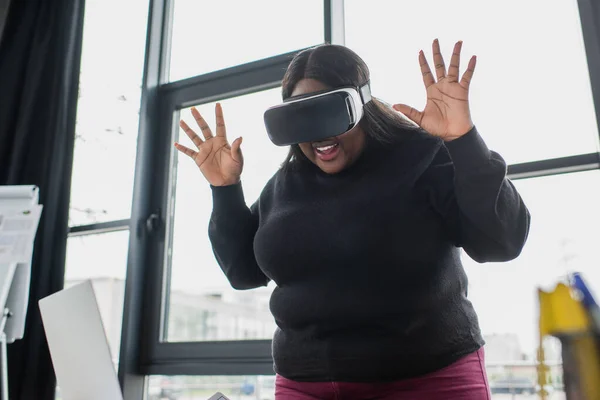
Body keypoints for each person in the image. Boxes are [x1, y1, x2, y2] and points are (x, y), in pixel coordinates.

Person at [175, 40, 530, 400]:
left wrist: (463, 141)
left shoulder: (421, 156)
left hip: (426, 378)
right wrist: (225, 190)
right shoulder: (284, 186)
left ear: (362, 104)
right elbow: (243, 273)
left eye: (328, 111)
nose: (318, 134)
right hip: (305, 384)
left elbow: (501, 241)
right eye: (302, 117)